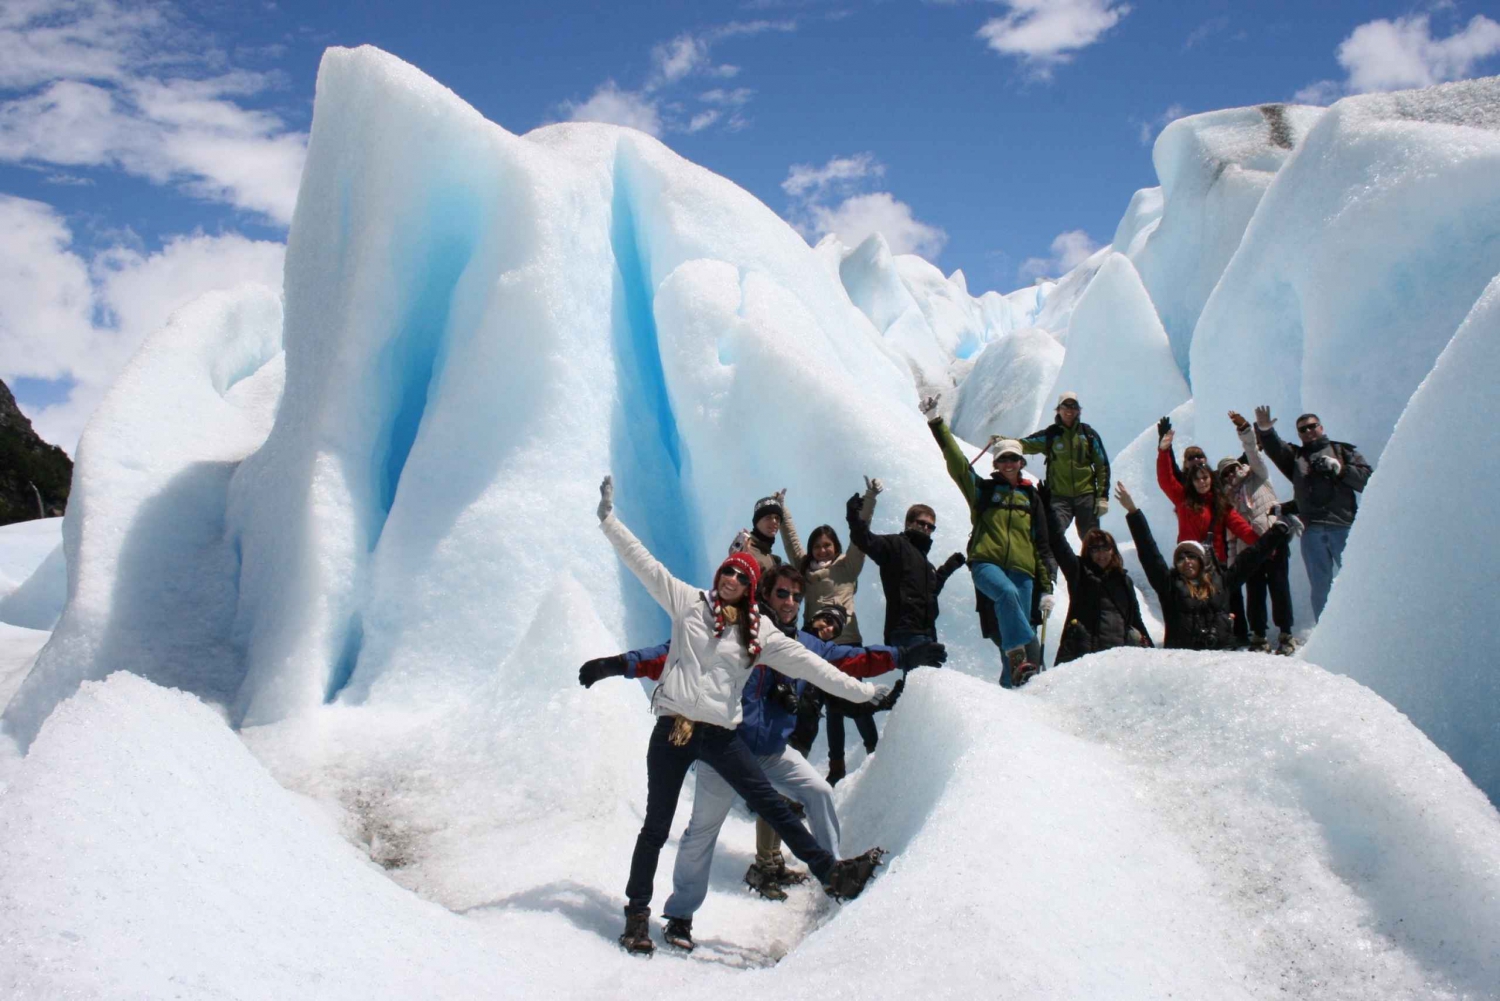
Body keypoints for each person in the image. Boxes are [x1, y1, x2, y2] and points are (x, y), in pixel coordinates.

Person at [594, 476, 890, 956]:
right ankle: (640, 915)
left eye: (739, 577)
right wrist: (609, 520)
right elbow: (644, 564)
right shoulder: (689, 603)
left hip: (718, 735)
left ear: (750, 588)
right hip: (672, 731)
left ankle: (832, 873)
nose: (729, 580)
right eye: (725, 573)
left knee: (774, 805)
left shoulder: (761, 637)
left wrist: (861, 691)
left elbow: (814, 666)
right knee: (658, 827)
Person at [924, 396, 1055, 687]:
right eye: (1003, 458)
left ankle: (1012, 694)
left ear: (1021, 462)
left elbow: (1041, 545)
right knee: (1009, 604)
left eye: (1013, 458)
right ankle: (1019, 659)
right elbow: (958, 464)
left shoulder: (1031, 498)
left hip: (1025, 572)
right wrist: (936, 423)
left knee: (1021, 639)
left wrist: (1046, 587)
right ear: (995, 462)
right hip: (986, 564)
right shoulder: (983, 491)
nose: (1008, 463)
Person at [778, 480, 881, 774]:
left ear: (835, 545)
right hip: (816, 644)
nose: (822, 550)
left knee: (856, 694)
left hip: (847, 640)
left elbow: (860, 533)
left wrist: (870, 498)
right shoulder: (804, 571)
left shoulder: (848, 566)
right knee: (831, 706)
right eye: (818, 546)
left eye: (827, 545)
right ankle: (837, 765)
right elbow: (792, 543)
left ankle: (873, 747)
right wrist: (783, 511)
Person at [1115, 481, 1293, 650]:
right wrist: (1133, 511)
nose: (1186, 561)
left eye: (1191, 556)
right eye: (1181, 558)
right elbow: (1149, 553)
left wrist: (1276, 532)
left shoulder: (1221, 583)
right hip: (1182, 660)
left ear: (1201, 561)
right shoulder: (1169, 586)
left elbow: (1251, 558)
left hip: (1220, 658)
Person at [1254, 406, 1372, 620]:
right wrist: (1265, 430)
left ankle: (1362, 627)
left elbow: (1368, 480)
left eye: (1312, 426)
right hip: (1313, 530)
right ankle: (1327, 633)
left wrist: (1340, 469)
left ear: (1321, 427)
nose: (1308, 431)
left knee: (1356, 582)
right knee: (1320, 585)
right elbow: (1276, 449)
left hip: (1343, 527)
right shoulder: (1297, 458)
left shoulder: (1342, 451)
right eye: (1302, 429)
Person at [1220, 411, 1296, 654]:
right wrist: (1234, 565)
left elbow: (1253, 451)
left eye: (1232, 469)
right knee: (1255, 594)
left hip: (1273, 541)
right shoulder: (1228, 501)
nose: (1231, 475)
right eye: (1226, 474)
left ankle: (1286, 634)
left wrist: (1244, 430)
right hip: (1249, 551)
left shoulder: (1258, 475)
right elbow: (1231, 537)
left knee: (1279, 587)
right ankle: (1259, 636)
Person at [1044, 500, 1152, 665]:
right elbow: (1059, 544)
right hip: (1083, 657)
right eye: (1095, 549)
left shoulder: (1124, 581)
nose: (1101, 554)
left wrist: (1151, 652)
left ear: (1113, 550)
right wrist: (1049, 512)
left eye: (1105, 548)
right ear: (1088, 552)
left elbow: (1135, 620)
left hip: (1118, 660)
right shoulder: (1080, 573)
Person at [1013, 390, 1111, 541]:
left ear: (1079, 410)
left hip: (1086, 496)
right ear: (1058, 410)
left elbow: (1102, 466)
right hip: (1059, 497)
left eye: (1073, 407)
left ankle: (1091, 565)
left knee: (1092, 542)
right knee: (1052, 537)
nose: (1069, 411)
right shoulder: (1051, 434)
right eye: (1065, 407)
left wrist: (1102, 497)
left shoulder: (1089, 435)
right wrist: (1005, 442)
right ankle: (1051, 565)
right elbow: (1024, 445)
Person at [1157, 429, 1260, 565]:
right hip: (1189, 563)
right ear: (1191, 482)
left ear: (1211, 478)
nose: (1201, 482)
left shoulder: (1220, 503)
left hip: (1214, 563)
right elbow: (1166, 479)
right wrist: (1163, 451)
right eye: (1197, 479)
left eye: (1205, 477)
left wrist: (1264, 546)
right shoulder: (1182, 498)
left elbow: (1241, 527)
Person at [729, 496, 785, 574]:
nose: (774, 521)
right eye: (768, 517)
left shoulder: (770, 559)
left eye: (777, 518)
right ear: (757, 522)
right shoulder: (746, 546)